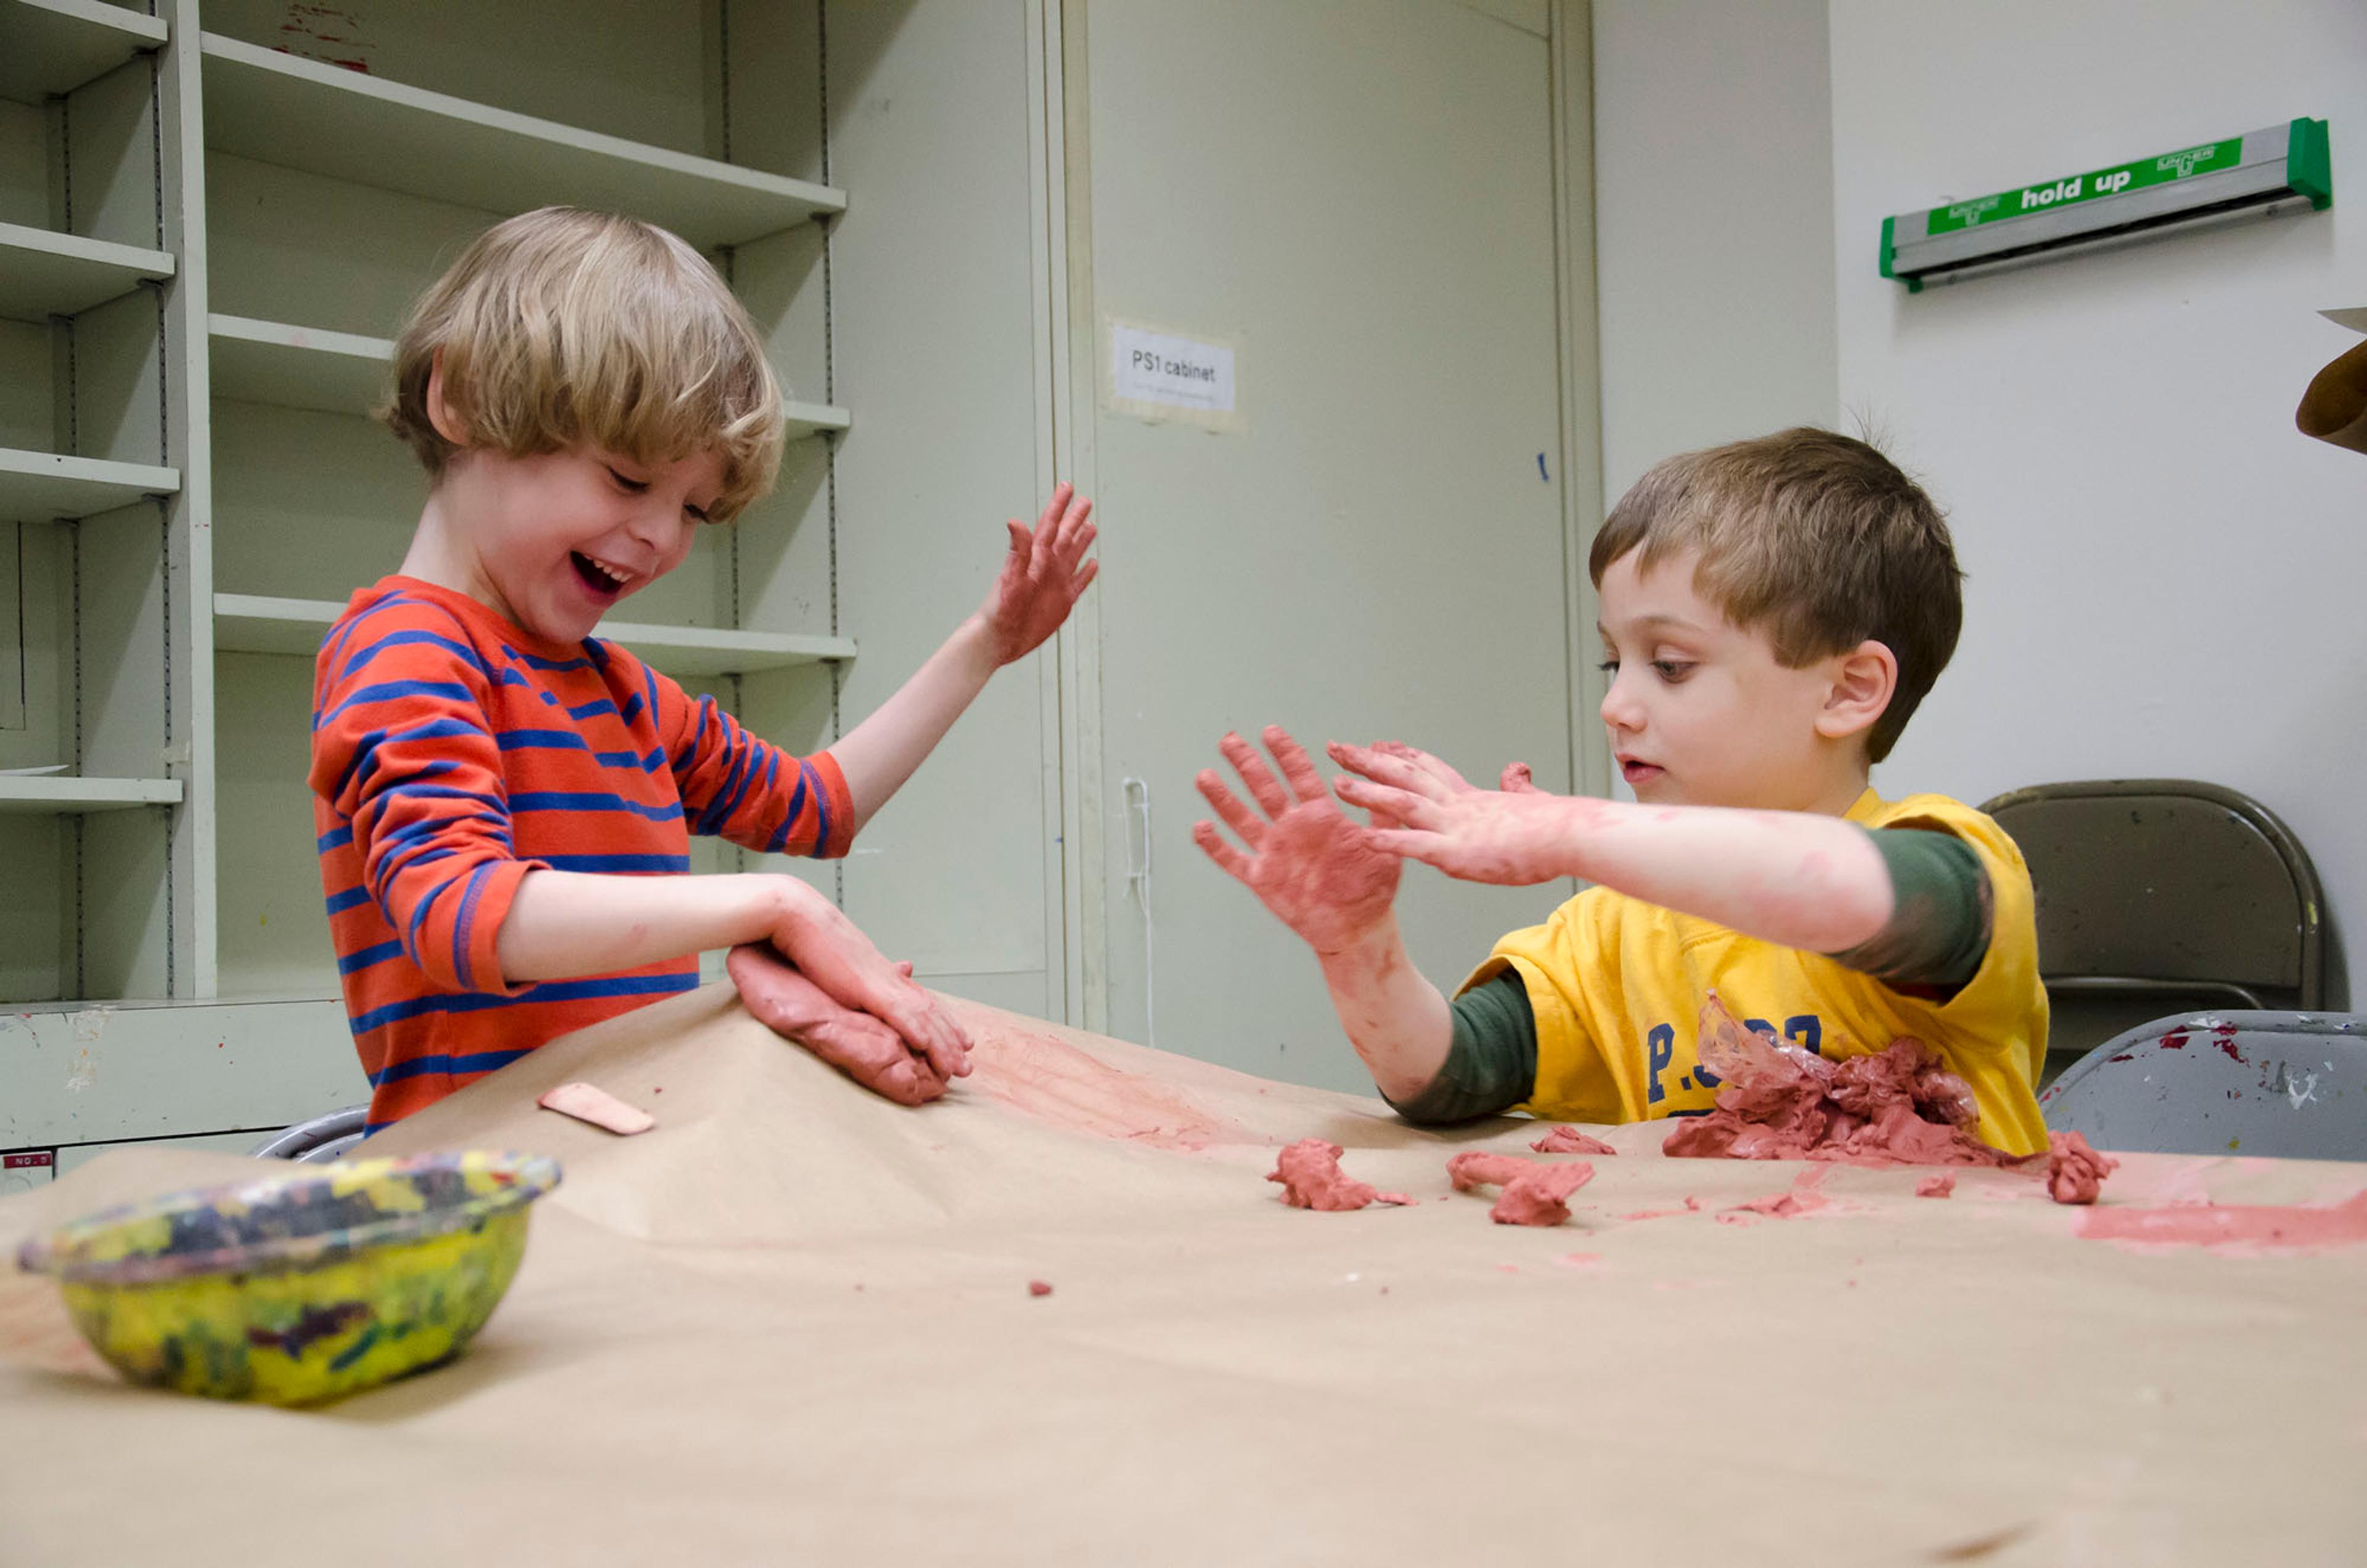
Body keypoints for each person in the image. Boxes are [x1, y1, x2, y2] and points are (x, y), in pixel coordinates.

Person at [311, 206, 1096, 1131]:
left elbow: (815, 807)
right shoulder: (406, 650)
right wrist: (772, 907)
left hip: (631, 1159)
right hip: (489, 1185)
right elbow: (460, 910)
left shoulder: (619, 692)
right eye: (629, 479)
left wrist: (986, 646)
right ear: (465, 399)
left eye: (695, 510)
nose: (659, 537)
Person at [1192, 428, 2047, 1154]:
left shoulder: (1952, 860)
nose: (1616, 705)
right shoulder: (1608, 935)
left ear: (1849, 689)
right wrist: (1358, 947)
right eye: (1614, 661)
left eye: (1670, 666)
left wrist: (1569, 830)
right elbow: (1443, 1076)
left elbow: (1846, 892)